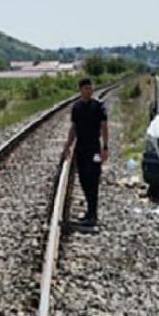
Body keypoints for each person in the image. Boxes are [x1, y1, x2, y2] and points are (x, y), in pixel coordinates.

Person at [62, 78, 108, 228]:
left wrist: (105, 147)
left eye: (90, 88)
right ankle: (89, 212)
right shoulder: (77, 107)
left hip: (95, 149)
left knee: (93, 179)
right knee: (83, 180)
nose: (89, 91)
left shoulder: (99, 106)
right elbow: (73, 128)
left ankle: (93, 214)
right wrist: (68, 146)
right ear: (81, 90)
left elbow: (104, 126)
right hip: (80, 149)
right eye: (86, 88)